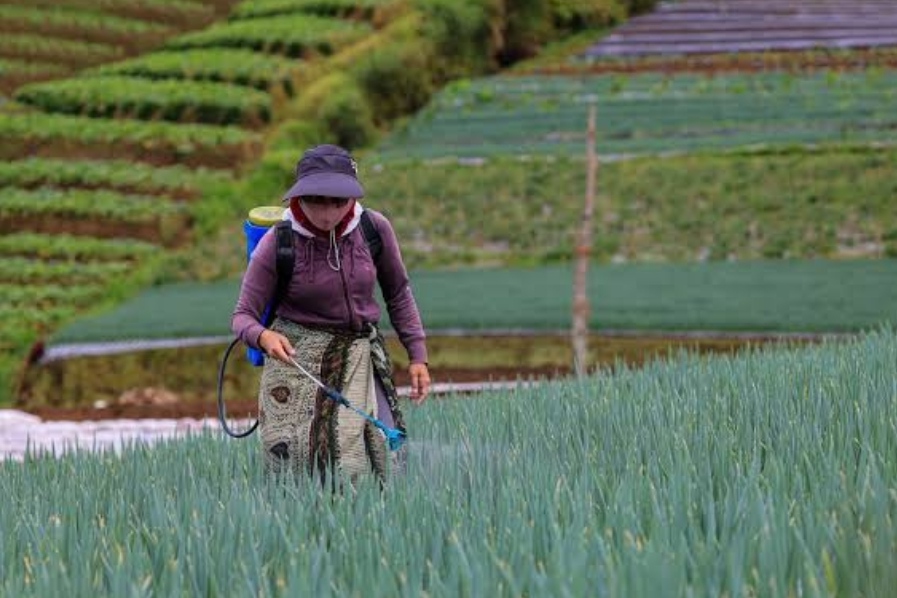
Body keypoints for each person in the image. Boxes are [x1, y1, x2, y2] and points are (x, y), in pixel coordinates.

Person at [232, 144, 430, 484]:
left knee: (377, 455)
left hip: (358, 354)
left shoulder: (373, 229)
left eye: (338, 202)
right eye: (317, 201)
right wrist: (263, 336)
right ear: (299, 199)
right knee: (295, 463)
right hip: (298, 361)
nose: (327, 213)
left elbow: (398, 293)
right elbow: (242, 317)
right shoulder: (278, 242)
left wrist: (418, 356)